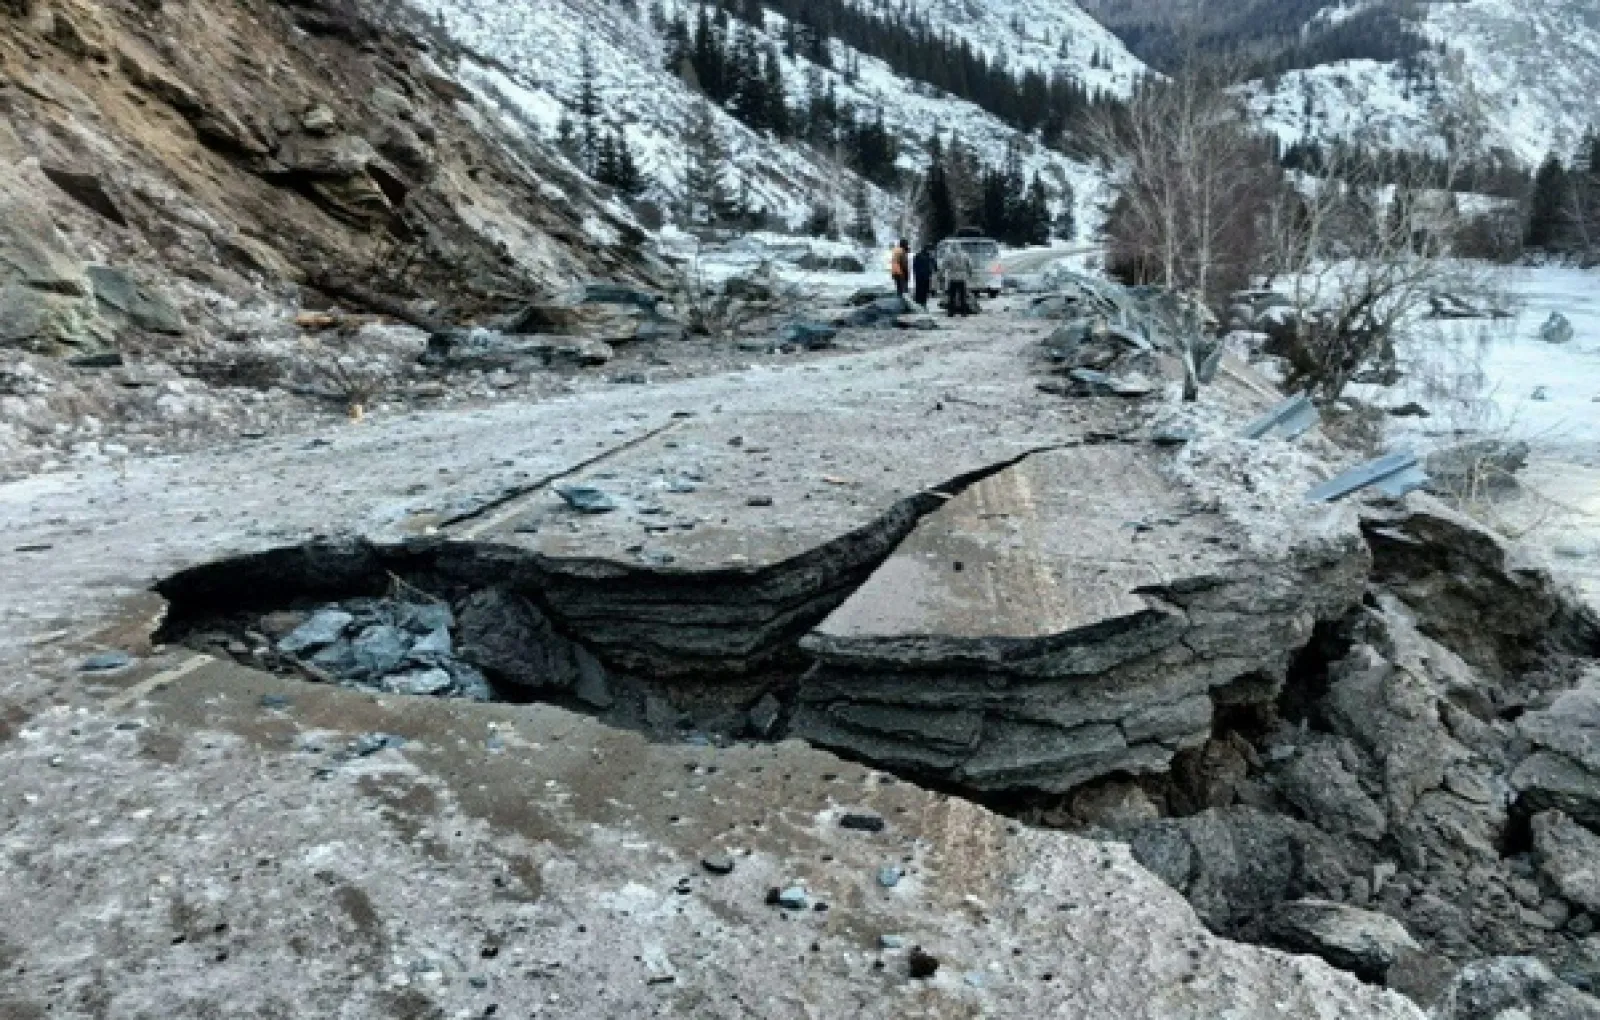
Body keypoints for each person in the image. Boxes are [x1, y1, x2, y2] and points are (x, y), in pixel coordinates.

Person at [943, 244, 975, 317]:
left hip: (953, 277)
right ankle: (964, 312)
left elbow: (944, 266)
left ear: (952, 248)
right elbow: (970, 265)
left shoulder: (949, 256)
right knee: (962, 296)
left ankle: (951, 312)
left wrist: (941, 274)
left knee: (952, 296)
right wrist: (970, 274)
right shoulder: (965, 255)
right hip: (962, 277)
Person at [911, 243, 937, 308]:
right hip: (925, 276)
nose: (932, 251)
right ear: (928, 249)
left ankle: (919, 303)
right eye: (931, 250)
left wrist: (915, 274)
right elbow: (935, 266)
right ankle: (922, 303)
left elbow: (914, 266)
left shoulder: (918, 255)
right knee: (924, 290)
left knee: (920, 289)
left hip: (919, 276)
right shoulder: (928, 256)